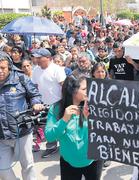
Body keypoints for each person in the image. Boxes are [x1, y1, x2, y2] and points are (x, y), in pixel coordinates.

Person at [45, 75, 103, 180]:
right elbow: (49, 137)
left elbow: (105, 132)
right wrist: (64, 120)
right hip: (68, 162)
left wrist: (90, 119)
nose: (89, 90)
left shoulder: (94, 105)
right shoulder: (56, 109)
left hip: (94, 160)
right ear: (72, 91)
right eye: (85, 89)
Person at [0, 52, 44, 180]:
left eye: (2, 68)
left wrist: (36, 104)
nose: (0, 71)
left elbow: (35, 95)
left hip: (22, 131)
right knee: (3, 169)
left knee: (27, 166)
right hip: (1, 135)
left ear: (9, 67)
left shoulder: (21, 78)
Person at [32, 48, 66, 158]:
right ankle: (51, 147)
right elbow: (35, 86)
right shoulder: (36, 70)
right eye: (36, 57)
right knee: (48, 127)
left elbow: (64, 86)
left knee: (60, 126)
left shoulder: (57, 69)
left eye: (39, 57)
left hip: (58, 103)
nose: (36, 59)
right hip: (43, 104)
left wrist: (65, 102)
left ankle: (66, 146)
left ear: (48, 58)